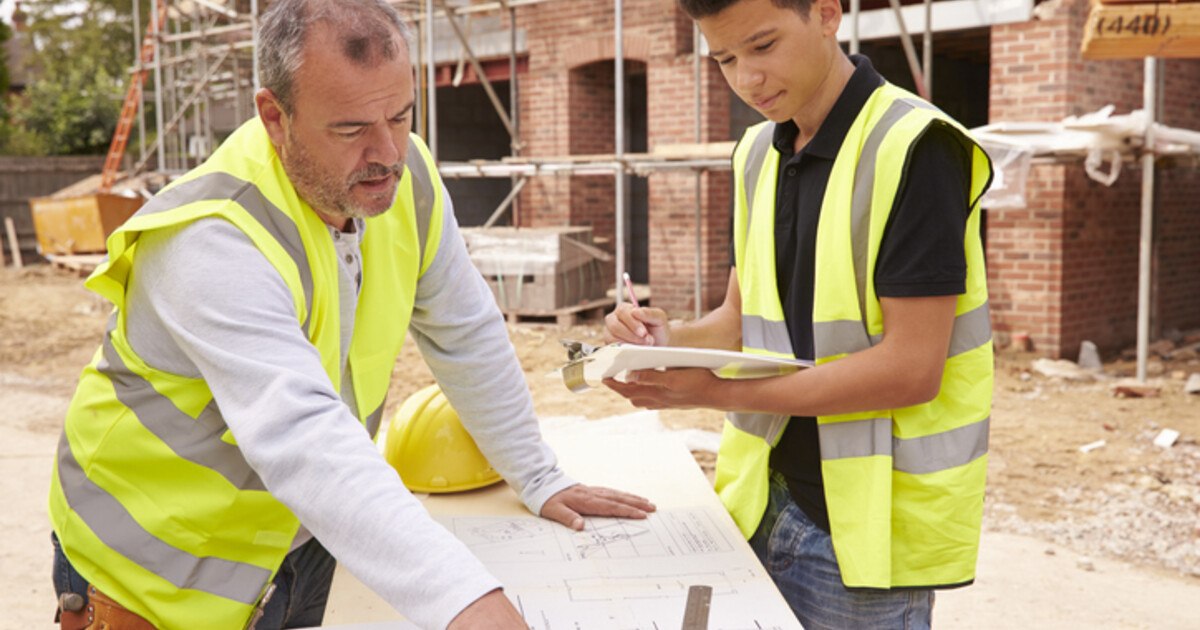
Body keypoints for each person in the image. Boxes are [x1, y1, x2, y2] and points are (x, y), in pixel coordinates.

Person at [48, 1, 655, 628]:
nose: (388, 150)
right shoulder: (211, 237)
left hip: (303, 543)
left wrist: (537, 475)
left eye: (401, 114)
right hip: (152, 577)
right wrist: (466, 602)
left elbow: (467, 331)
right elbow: (304, 436)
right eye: (351, 128)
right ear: (274, 118)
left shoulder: (406, 177)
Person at [604, 0, 993, 628]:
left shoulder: (915, 147)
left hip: (860, 536)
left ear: (827, 13)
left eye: (763, 46)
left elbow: (911, 369)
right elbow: (739, 317)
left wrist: (711, 393)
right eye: (725, 58)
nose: (747, 79)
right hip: (759, 500)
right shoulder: (756, 152)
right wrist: (664, 339)